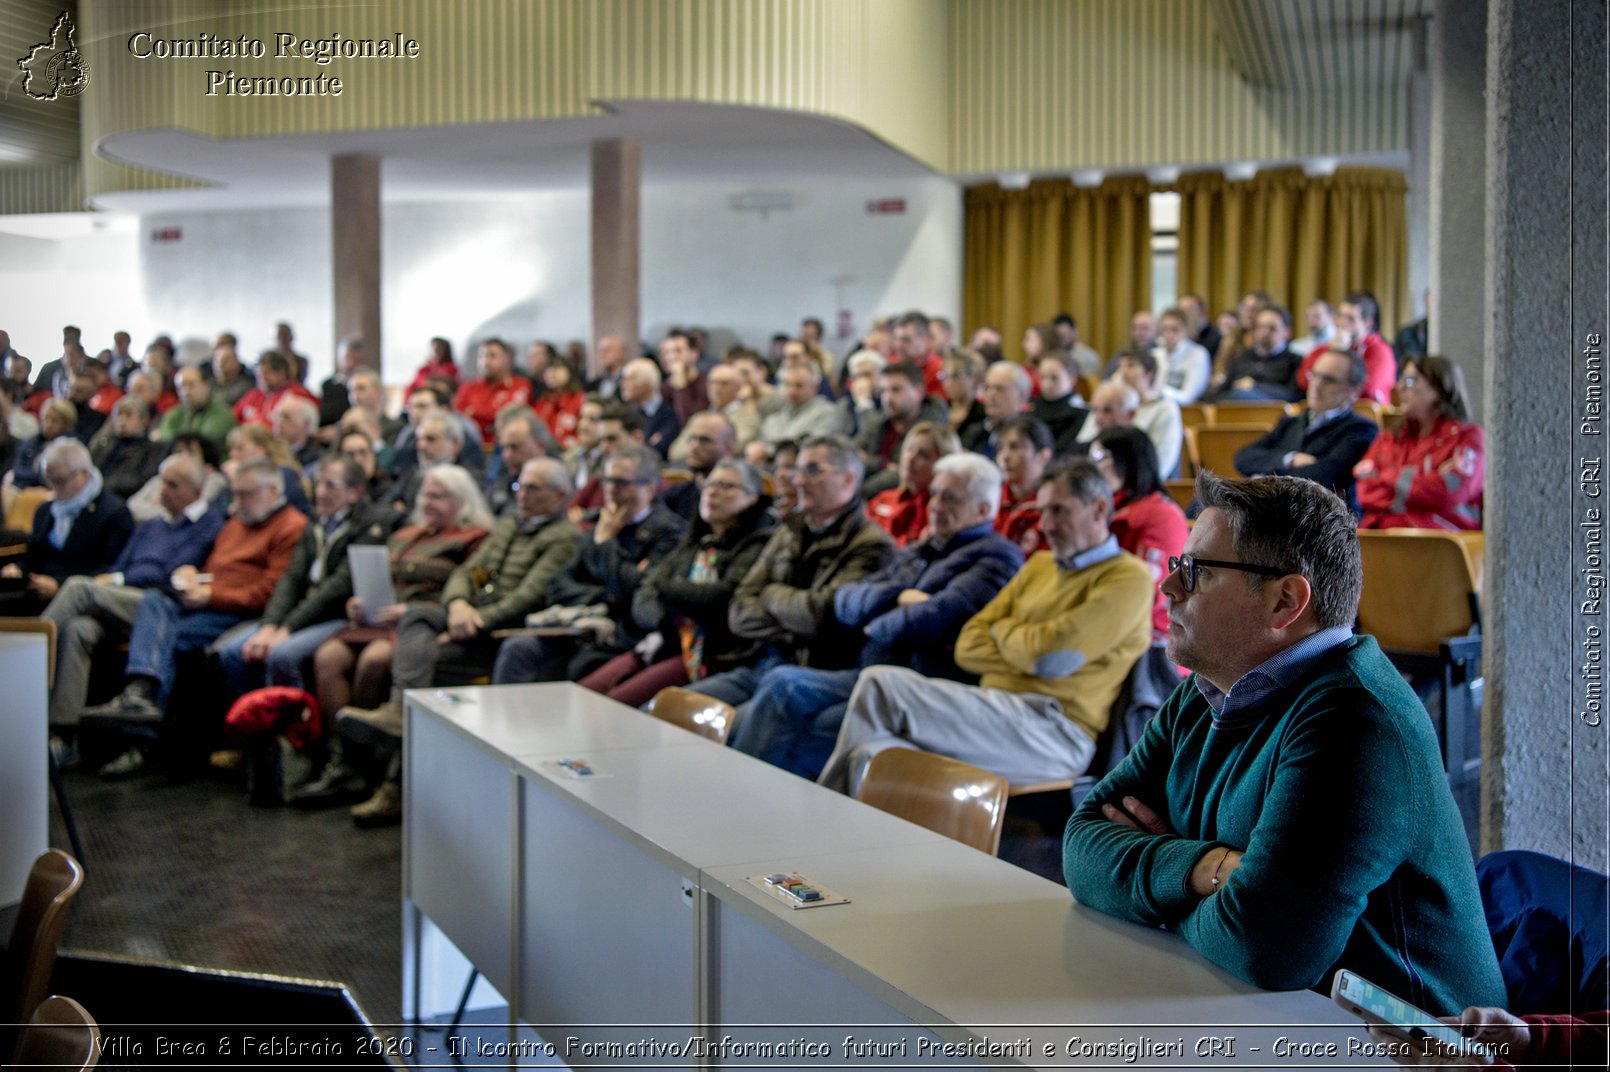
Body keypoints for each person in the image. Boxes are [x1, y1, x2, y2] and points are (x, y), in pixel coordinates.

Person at [1062, 471, 1507, 1012]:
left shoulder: (1356, 720)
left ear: (1285, 601)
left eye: (1197, 572)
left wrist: (1155, 887)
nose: (1169, 586)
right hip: (1256, 1008)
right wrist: (1211, 869)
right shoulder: (1206, 690)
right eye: (1180, 565)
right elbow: (1081, 845)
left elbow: (1266, 947)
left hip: (1401, 1049)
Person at [816, 458, 1153, 794]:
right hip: (993, 713)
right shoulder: (1039, 565)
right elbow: (969, 645)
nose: (1045, 525)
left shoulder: (1128, 577)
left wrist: (1005, 631)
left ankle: (824, 821)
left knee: (880, 686)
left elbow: (1050, 659)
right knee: (869, 756)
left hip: (1055, 732)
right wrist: (1029, 646)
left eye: (1059, 511)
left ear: (1097, 509)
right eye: (1042, 511)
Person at [733, 452, 1024, 780]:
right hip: (868, 674)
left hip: (913, 689)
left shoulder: (997, 557)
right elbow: (847, 600)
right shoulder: (921, 549)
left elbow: (932, 619)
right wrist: (897, 597)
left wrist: (874, 623)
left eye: (949, 497)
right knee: (773, 691)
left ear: (983, 510)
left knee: (793, 712)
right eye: (934, 494)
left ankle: (747, 805)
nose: (935, 505)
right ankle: (745, 798)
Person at [80, 458, 308, 775]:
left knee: (159, 637)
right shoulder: (237, 523)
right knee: (157, 602)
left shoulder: (290, 527)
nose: (235, 502)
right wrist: (195, 576)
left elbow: (270, 594)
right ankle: (141, 694)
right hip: (210, 605)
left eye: (245, 494)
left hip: (241, 613)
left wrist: (211, 594)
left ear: (272, 490)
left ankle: (142, 728)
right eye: (235, 494)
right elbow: (216, 572)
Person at [684, 434, 894, 709]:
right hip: (765, 663)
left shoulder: (870, 543)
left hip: (814, 675)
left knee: (726, 734)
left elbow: (823, 621)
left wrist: (770, 594)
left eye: (812, 470)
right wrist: (792, 627)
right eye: (798, 469)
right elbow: (738, 609)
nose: (798, 480)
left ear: (848, 480)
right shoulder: (790, 529)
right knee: (670, 710)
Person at [42, 453, 225, 758]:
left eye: (172, 484)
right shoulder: (151, 525)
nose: (162, 490)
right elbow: (120, 565)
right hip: (123, 600)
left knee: (78, 588)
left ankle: (27, 647)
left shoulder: (208, 525)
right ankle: (65, 736)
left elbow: (172, 578)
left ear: (195, 490)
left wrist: (110, 586)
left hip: (160, 606)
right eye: (161, 482)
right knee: (79, 629)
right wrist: (110, 587)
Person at [574, 459, 774, 707]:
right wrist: (669, 616)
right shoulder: (696, 540)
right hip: (664, 640)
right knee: (581, 696)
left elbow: (718, 599)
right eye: (710, 484)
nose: (713, 491)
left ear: (752, 498)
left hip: (709, 655)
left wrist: (666, 592)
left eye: (726, 486)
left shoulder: (759, 544)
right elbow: (645, 593)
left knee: (614, 707)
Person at [491, 445, 687, 685]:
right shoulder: (599, 525)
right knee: (519, 649)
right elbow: (557, 585)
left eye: (622, 482)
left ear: (650, 487)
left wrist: (606, 544)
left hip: (627, 635)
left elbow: (638, 594)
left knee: (572, 668)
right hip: (582, 626)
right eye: (607, 481)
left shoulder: (668, 532)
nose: (612, 490)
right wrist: (602, 598)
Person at [214, 455, 395, 698]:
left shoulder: (371, 524)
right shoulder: (316, 521)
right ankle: (257, 716)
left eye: (330, 486)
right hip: (303, 611)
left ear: (355, 492)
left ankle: (295, 725)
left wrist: (288, 628)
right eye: (318, 484)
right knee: (233, 651)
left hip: (337, 614)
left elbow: (337, 587)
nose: (320, 493)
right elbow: (293, 577)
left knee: (282, 655)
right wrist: (270, 625)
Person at [1234, 349, 1379, 515]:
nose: (1317, 384)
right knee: (1207, 503)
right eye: (1315, 375)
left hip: (1319, 518)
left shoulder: (1360, 429)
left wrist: (1264, 480)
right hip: (1274, 507)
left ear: (1353, 390)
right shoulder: (1290, 422)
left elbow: (1324, 476)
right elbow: (1243, 457)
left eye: (1328, 380)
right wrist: (1290, 459)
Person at [1, 438, 136, 615]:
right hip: (36, 590)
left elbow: (109, 570)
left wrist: (59, 583)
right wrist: (18, 569)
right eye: (49, 481)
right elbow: (34, 556)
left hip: (81, 599)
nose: (55, 488)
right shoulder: (46, 510)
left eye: (60, 481)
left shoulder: (114, 514)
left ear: (84, 474)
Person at [1355, 356, 1484, 530]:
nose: (1399, 387)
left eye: (1410, 381)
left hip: (1441, 545)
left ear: (1439, 389)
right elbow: (1364, 491)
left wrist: (1386, 477)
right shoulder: (1390, 437)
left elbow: (1448, 493)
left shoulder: (1469, 437)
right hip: (1384, 538)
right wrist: (1423, 486)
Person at [1090, 426, 1189, 641]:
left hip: (1149, 639)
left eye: (1100, 457)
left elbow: (1147, 595)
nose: (1093, 468)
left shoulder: (1161, 515)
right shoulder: (1097, 510)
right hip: (1102, 626)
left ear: (1127, 460)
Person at [866, 421, 955, 547]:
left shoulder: (941, 513)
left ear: (942, 465)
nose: (910, 458)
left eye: (923, 455)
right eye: (910, 449)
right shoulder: (883, 498)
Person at [456, 339, 535, 450]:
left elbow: (511, 418)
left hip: (506, 447)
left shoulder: (520, 384)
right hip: (472, 447)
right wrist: (491, 419)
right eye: (482, 356)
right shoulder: (468, 387)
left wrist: (475, 414)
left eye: (492, 356)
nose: (485, 361)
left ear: (507, 359)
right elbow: (461, 420)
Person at [993, 416, 1054, 557]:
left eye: (1014, 447)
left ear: (1044, 455)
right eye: (1001, 448)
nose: (1004, 456)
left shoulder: (1053, 506)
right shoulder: (992, 499)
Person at [159, 366, 236, 452]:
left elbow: (202, 444)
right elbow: (165, 440)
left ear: (206, 386)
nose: (186, 392)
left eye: (191, 385)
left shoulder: (222, 413)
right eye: (181, 387)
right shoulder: (173, 414)